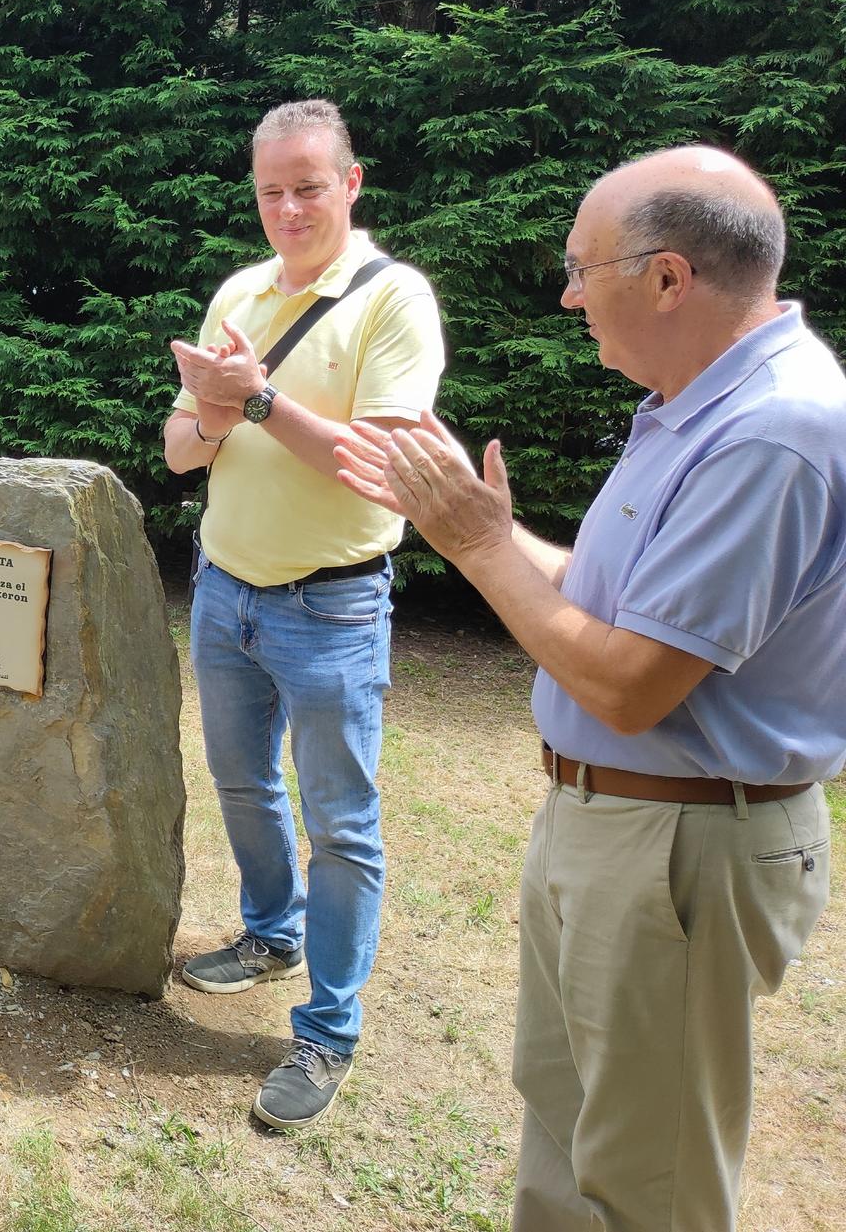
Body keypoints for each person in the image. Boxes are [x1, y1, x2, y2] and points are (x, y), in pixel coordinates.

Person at [336, 147, 842, 1230]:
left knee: (644, 1180)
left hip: (676, 844)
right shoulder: (695, 407)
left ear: (667, 279)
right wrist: (472, 528)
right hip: (615, 825)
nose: (565, 294)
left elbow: (628, 684)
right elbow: (609, 599)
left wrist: (477, 550)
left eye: (580, 266)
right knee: (567, 1139)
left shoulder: (770, 433)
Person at [163, 99, 444, 1129]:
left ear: (350, 182)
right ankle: (267, 931)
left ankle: (326, 1031)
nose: (286, 206)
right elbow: (179, 448)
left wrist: (259, 401)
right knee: (242, 785)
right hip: (224, 586)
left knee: (341, 824)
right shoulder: (237, 291)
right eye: (270, 189)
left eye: (307, 186)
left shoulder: (391, 300)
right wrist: (206, 415)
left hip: (330, 607)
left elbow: (380, 468)